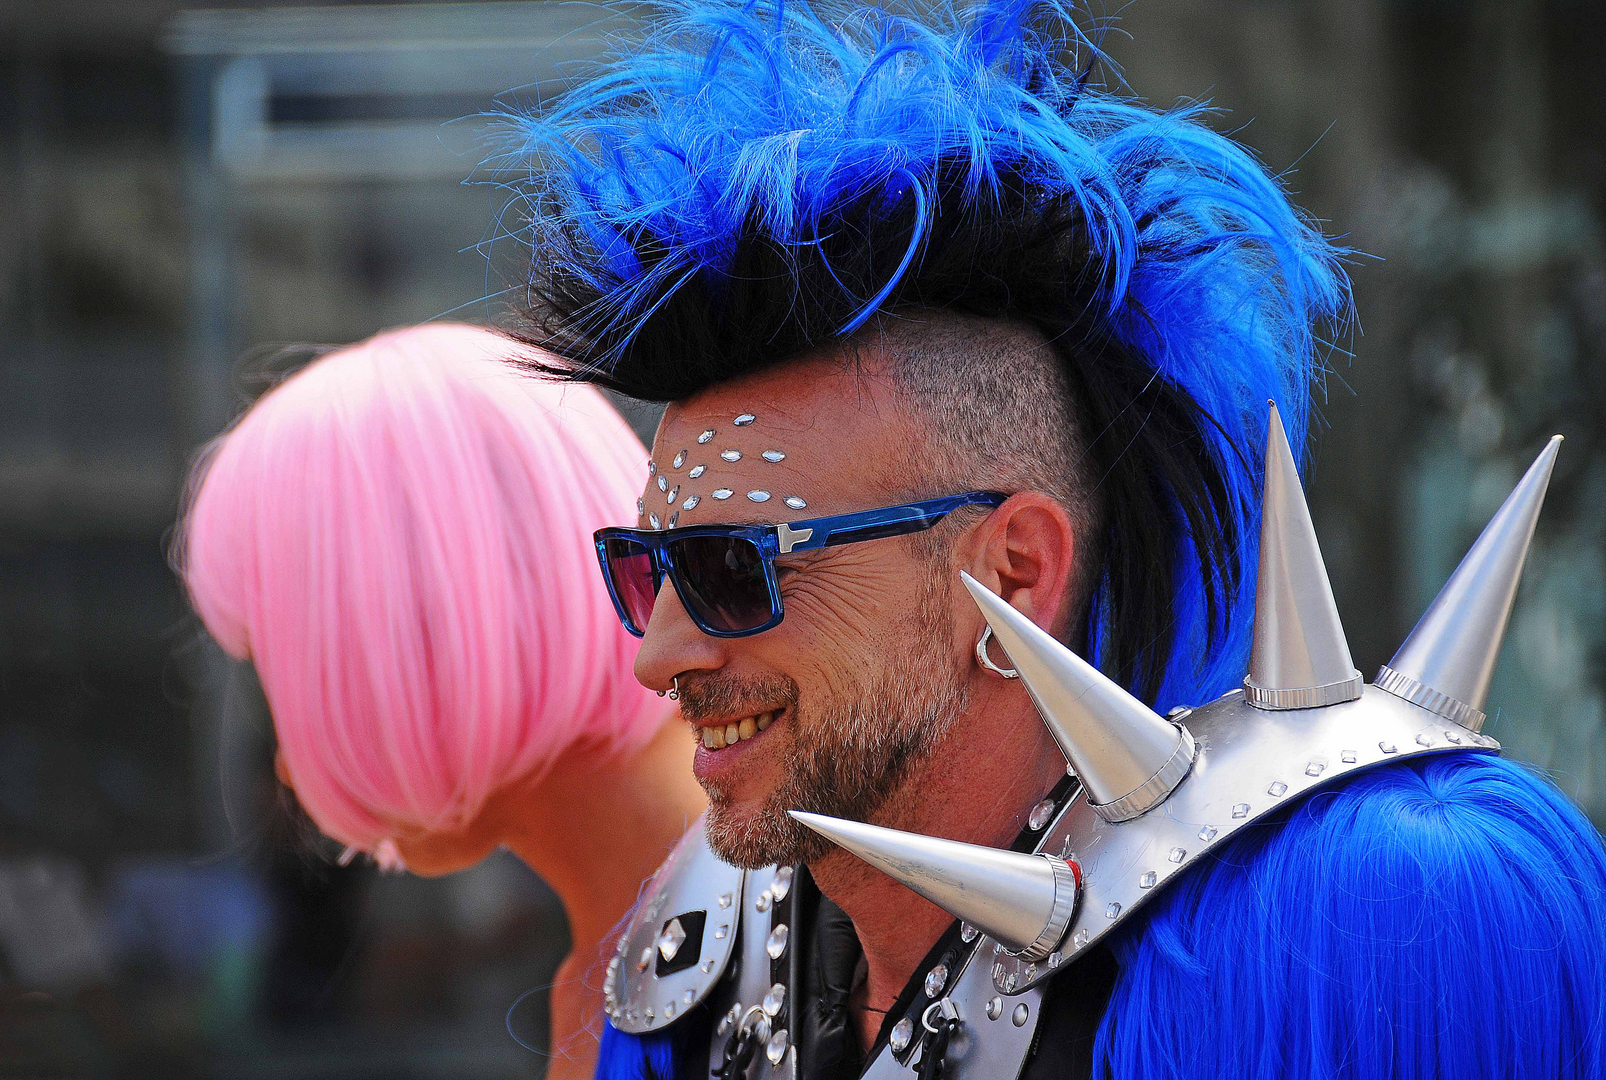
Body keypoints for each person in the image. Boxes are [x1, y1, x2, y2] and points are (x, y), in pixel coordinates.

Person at [502, 1, 1606, 1077]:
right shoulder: (698, 966)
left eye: (732, 568)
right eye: (646, 570)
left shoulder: (1354, 934)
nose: (657, 657)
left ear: (1015, 571)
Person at [176, 323, 707, 1080]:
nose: (292, 770)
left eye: (290, 681)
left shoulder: (808, 947)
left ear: (406, 639)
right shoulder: (626, 971)